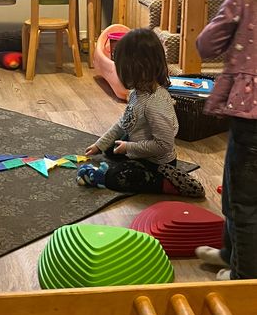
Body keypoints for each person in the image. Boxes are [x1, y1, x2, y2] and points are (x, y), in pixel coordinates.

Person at [195, 0, 257, 280]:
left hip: (250, 120)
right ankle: (232, 252)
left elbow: (206, 45)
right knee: (240, 193)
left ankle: (245, 277)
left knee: (242, 200)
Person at [77, 28, 204, 198]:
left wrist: (129, 147)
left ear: (135, 69)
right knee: (111, 148)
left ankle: (167, 183)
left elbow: (163, 146)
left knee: (123, 176)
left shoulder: (155, 103)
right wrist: (101, 144)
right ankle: (119, 160)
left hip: (157, 164)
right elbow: (124, 122)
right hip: (139, 148)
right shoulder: (137, 93)